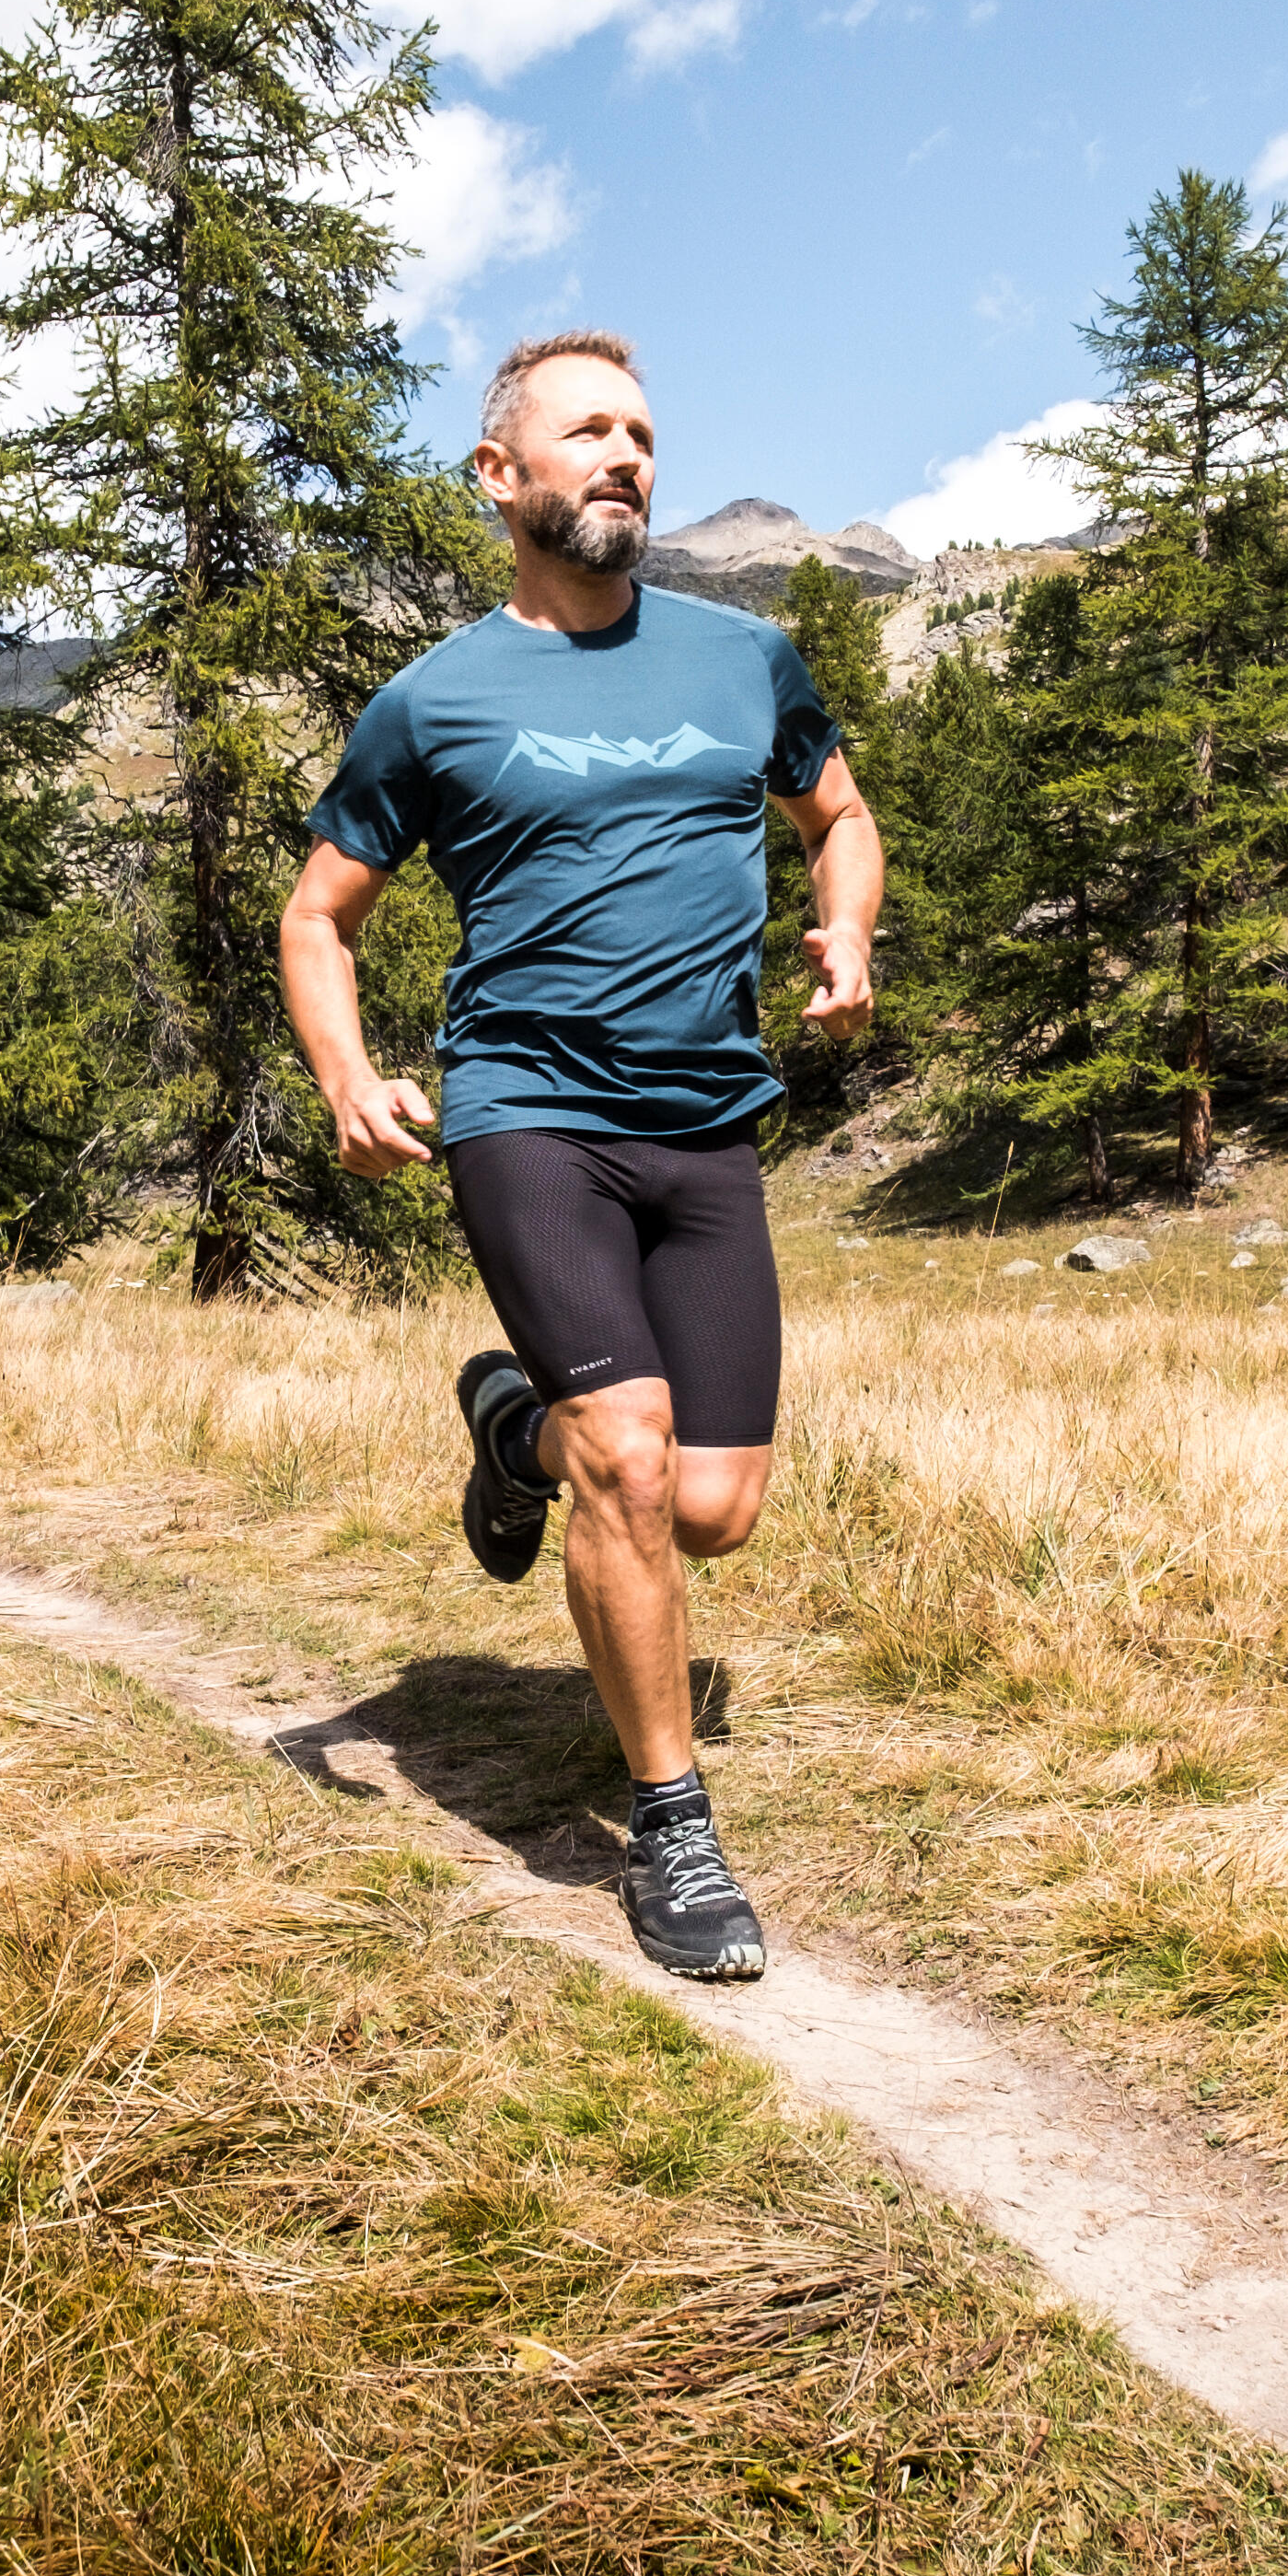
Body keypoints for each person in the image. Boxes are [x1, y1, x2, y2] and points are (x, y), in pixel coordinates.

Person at [275, 331, 881, 1981]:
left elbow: (840, 815)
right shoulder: (434, 702)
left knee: (710, 1506)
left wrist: (845, 933)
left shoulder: (745, 659)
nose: (627, 455)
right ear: (503, 476)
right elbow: (318, 919)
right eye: (589, 431)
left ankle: (507, 1423)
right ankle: (670, 1828)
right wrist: (346, 1073)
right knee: (627, 1453)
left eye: (643, 431)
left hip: (707, 1125)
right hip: (525, 1110)